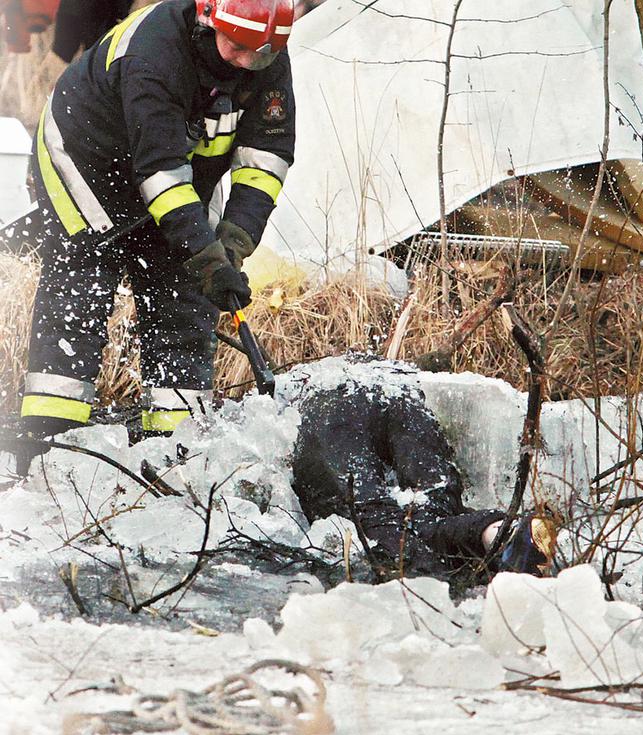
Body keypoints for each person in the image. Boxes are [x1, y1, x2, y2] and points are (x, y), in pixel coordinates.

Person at [16, 0, 296, 474]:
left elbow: (266, 159)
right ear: (208, 20)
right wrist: (204, 253)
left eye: (262, 53)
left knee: (186, 298)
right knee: (80, 292)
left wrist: (230, 248)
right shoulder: (154, 53)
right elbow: (160, 173)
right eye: (238, 47)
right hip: (87, 160)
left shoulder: (264, 57)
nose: (249, 62)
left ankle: (175, 454)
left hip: (172, 175)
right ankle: (48, 449)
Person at [292, 380, 556, 579]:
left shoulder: (303, 391)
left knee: (372, 513)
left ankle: (436, 585)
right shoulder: (379, 371)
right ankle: (502, 534)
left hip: (327, 409)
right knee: (433, 505)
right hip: (397, 391)